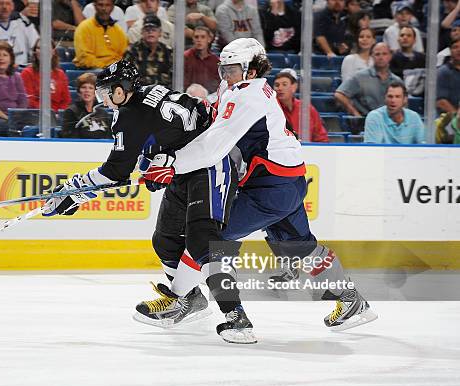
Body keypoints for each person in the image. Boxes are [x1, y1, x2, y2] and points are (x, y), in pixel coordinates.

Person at [146, 38, 377, 334]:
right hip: (286, 181)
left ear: (251, 71)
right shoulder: (237, 87)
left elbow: (213, 147)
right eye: (222, 68)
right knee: (300, 247)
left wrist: (172, 164)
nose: (224, 74)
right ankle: (352, 300)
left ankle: (181, 301)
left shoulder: (247, 95)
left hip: (270, 187)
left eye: (231, 69)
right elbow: (216, 120)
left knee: (210, 237)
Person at [44, 59, 255, 343]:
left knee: (203, 240)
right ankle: (190, 299)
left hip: (210, 164)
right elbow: (166, 133)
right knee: (165, 239)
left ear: (123, 89)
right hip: (182, 166)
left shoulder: (128, 116)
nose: (104, 98)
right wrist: (154, 163)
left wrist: (73, 192)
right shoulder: (151, 93)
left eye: (108, 91)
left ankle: (235, 315)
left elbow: (115, 172)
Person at [335, 42, 402, 117]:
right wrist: (355, 113)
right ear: (372, 56)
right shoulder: (360, 77)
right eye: (377, 54)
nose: (381, 57)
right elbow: (339, 94)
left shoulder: (397, 81)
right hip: (365, 122)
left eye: (384, 54)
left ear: (390, 56)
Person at [0, 0, 39, 66]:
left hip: (23, 69)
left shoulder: (24, 22)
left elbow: (35, 47)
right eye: (0, 4)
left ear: (12, 6)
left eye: (8, 4)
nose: (4, 7)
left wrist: (32, 64)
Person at [274, 68, 329, 142]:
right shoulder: (271, 108)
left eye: (284, 84)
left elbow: (321, 137)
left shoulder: (307, 108)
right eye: (277, 85)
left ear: (294, 87)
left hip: (307, 151)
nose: (280, 88)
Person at [73, 0, 128, 69]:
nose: (104, 8)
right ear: (95, 6)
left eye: (107, 5)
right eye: (100, 5)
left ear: (112, 7)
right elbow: (84, 56)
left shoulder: (118, 30)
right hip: (90, 70)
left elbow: (124, 53)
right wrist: (104, 67)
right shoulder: (84, 27)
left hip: (115, 71)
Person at [20, 39, 71, 111]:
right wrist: (47, 114)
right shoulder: (27, 73)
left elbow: (66, 101)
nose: (43, 51)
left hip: (58, 116)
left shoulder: (61, 74)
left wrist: (58, 114)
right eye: (39, 48)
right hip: (36, 115)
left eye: (46, 48)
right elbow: (29, 101)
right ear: (35, 52)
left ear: (53, 51)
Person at [59, 72, 112, 139]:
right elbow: (69, 137)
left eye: (90, 88)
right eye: (84, 87)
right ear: (79, 91)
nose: (87, 90)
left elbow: (109, 137)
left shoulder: (103, 113)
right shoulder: (71, 112)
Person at [125, 14, 172, 87]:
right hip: (140, 91)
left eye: (154, 30)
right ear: (142, 32)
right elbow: (130, 77)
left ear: (160, 33)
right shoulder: (132, 51)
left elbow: (172, 76)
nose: (150, 33)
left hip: (163, 91)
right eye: (147, 30)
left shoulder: (167, 51)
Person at [183, 27, 220, 93]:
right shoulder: (185, 57)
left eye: (203, 37)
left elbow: (217, 84)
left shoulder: (215, 61)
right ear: (193, 39)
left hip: (210, 97)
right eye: (196, 37)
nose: (199, 40)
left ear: (209, 39)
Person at [437, 37, 460, 114]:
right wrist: (457, 119)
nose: (459, 50)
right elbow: (441, 102)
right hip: (449, 120)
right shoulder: (443, 72)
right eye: (455, 47)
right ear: (450, 50)